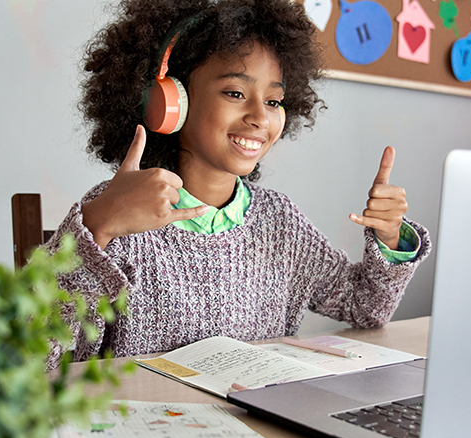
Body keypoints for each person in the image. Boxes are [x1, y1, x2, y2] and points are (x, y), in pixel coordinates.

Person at [45, 0, 431, 370]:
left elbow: (366, 308)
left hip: (255, 430)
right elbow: (31, 357)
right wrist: (96, 226)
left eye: (275, 101)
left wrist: (392, 237)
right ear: (171, 101)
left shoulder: (280, 222)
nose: (261, 117)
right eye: (235, 93)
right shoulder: (117, 213)